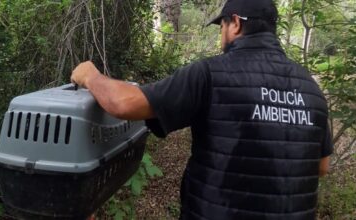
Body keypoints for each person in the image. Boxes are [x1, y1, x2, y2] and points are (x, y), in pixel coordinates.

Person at [71, 0, 333, 219]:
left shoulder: (210, 73)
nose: (221, 34)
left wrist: (91, 76)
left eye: (222, 26)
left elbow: (125, 103)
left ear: (236, 23)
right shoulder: (311, 88)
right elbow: (321, 167)